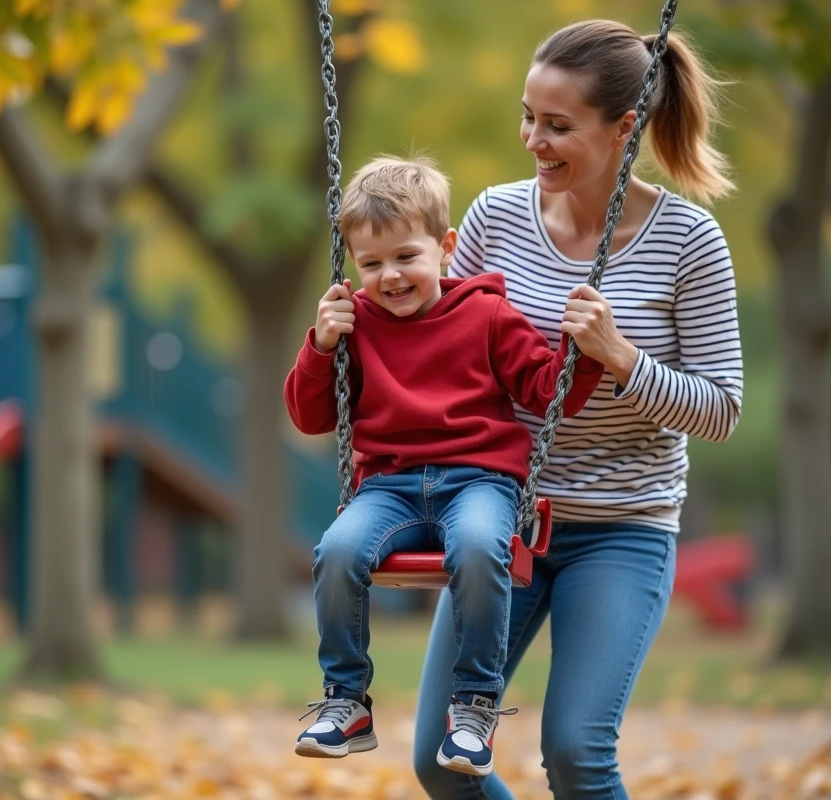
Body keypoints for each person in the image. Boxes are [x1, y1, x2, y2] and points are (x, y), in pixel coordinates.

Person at [411, 19, 744, 799]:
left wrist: (622, 359)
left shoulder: (689, 242)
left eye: (557, 125)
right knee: (439, 759)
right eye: (527, 116)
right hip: (501, 519)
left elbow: (722, 409)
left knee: (575, 749)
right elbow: (439, 353)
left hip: (623, 527)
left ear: (625, 129)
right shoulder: (494, 218)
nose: (533, 139)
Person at [284, 155, 604, 775]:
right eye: (371, 264)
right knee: (338, 551)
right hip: (390, 487)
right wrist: (320, 345)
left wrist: (578, 350)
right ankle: (346, 699)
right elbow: (309, 415)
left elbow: (545, 390)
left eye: (406, 256)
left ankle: (474, 705)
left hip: (478, 481)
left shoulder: (485, 315)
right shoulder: (352, 324)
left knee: (484, 547)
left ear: (445, 246)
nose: (390, 276)